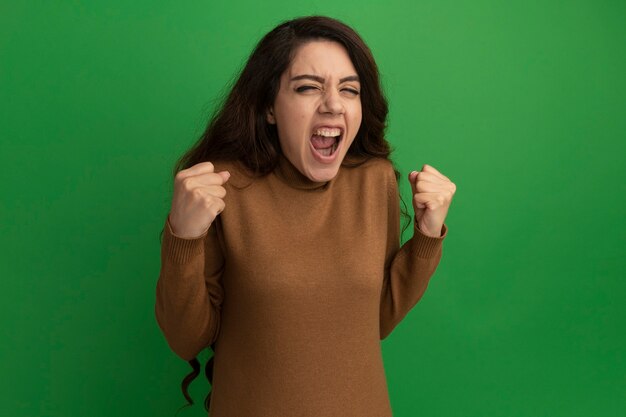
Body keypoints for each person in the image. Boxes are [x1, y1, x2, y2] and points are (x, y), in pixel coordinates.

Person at [155, 15, 456, 417]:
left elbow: (375, 321)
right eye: (308, 88)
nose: (333, 104)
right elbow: (186, 338)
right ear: (269, 107)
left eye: (349, 90)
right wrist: (184, 237)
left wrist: (427, 236)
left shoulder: (374, 180)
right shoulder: (220, 190)